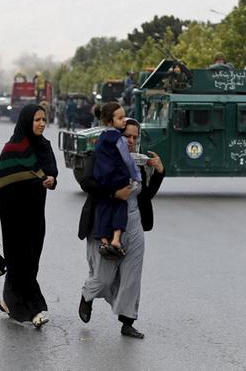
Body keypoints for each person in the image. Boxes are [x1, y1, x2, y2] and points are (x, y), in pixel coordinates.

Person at [78, 117, 165, 339]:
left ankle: (127, 322)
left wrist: (159, 173)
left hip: (133, 221)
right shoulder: (101, 155)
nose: (131, 141)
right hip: (106, 220)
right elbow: (87, 183)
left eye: (135, 137)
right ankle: (88, 296)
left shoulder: (139, 162)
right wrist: (113, 193)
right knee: (104, 276)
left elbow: (147, 195)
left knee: (132, 275)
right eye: (127, 136)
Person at [0, 104, 58, 328]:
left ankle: (7, 301)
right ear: (26, 122)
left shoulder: (44, 146)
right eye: (37, 120)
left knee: (30, 262)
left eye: (44, 119)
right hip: (12, 215)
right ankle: (34, 310)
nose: (42, 123)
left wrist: (52, 181)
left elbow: (52, 174)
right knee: (19, 262)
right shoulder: (11, 149)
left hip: (35, 215)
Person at [94, 102, 141, 259]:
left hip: (102, 178)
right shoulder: (117, 138)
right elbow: (127, 159)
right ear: (110, 121)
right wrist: (136, 176)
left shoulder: (100, 138)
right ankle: (115, 239)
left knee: (104, 208)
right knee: (120, 206)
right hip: (118, 177)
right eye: (120, 118)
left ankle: (103, 240)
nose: (124, 121)